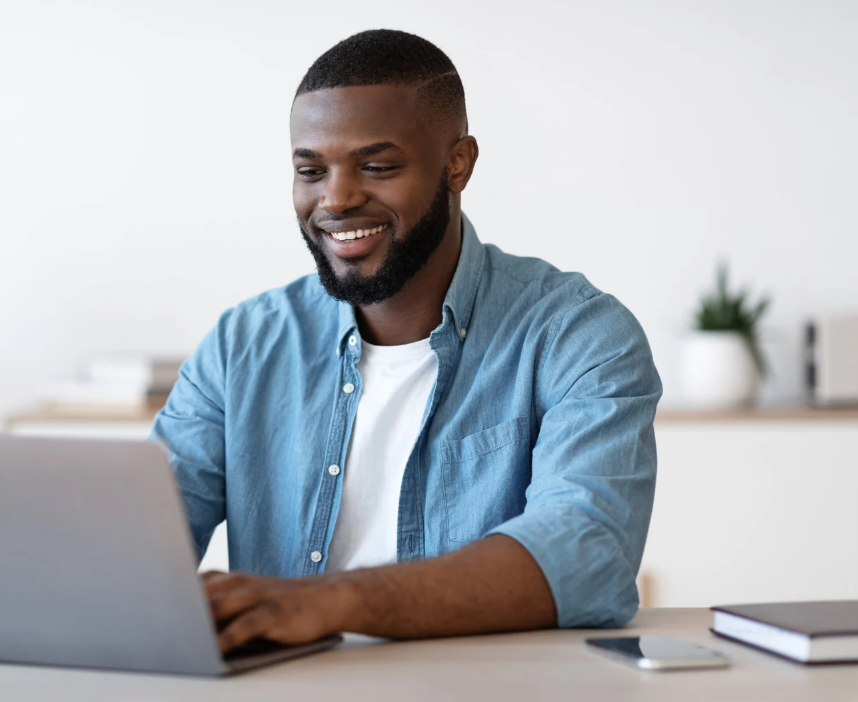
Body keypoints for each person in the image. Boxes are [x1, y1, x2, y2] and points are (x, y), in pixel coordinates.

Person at [150, 29, 661, 655]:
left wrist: (329, 601)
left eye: (377, 166)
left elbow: (587, 556)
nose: (335, 198)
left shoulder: (578, 335)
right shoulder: (243, 346)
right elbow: (140, 548)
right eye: (311, 170)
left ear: (459, 164)